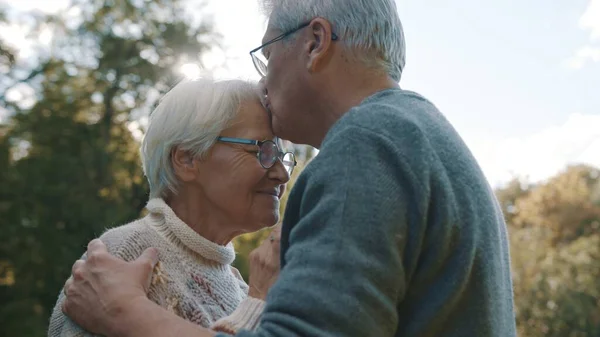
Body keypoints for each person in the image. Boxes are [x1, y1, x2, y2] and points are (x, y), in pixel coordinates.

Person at [61, 0, 518, 336]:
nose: (263, 77)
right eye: (259, 150)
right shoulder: (420, 135)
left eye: (268, 52)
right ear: (186, 160)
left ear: (315, 42)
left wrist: (125, 312)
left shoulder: (369, 146)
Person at [49, 78, 295, 336]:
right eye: (263, 150)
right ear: (187, 159)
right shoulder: (123, 254)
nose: (283, 175)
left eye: (282, 156)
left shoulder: (241, 287)